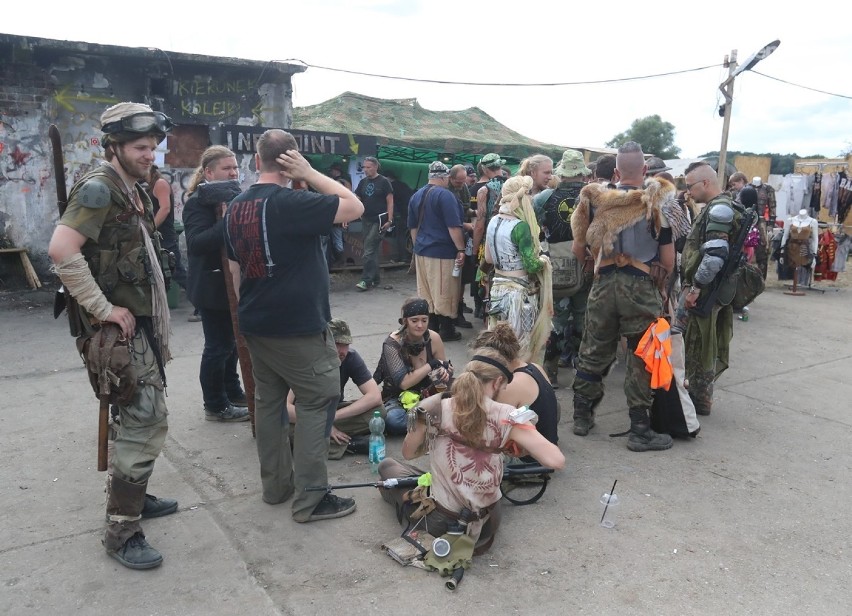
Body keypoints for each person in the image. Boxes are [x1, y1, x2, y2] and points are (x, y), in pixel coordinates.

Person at [48, 102, 177, 569]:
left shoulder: (133, 186)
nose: (150, 155)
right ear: (114, 147)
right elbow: (62, 251)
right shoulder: (100, 189)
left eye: (153, 147)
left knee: (133, 413)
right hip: (116, 326)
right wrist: (103, 309)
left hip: (139, 319)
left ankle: (134, 496)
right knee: (146, 418)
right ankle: (121, 529)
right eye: (141, 147)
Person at [224, 129, 364, 523]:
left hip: (256, 322)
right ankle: (312, 499)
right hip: (298, 327)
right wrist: (312, 174)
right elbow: (353, 207)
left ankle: (276, 488)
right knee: (318, 402)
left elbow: (235, 270)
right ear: (291, 162)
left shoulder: (235, 206)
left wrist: (249, 312)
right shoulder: (293, 202)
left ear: (255, 161)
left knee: (269, 407)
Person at [377, 347, 565, 555]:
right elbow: (556, 460)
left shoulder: (437, 407)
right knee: (424, 480)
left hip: (444, 522)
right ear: (496, 383)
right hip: (489, 521)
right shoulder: (508, 415)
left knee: (388, 467)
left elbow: (409, 453)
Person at [569, 141, 675, 450]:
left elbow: (579, 248)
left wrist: (598, 266)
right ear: (645, 169)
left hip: (603, 284)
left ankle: (581, 417)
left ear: (615, 171)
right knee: (642, 354)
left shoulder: (592, 199)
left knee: (592, 350)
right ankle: (640, 430)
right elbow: (667, 261)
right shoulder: (658, 201)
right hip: (641, 286)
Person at [182, 145, 249, 423]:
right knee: (217, 346)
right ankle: (215, 404)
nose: (233, 172)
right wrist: (228, 222)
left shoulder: (235, 198)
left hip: (232, 284)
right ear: (209, 172)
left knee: (232, 344)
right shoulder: (197, 202)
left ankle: (232, 390)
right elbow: (197, 243)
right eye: (227, 168)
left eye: (235, 168)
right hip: (211, 287)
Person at [678, 161, 746, 416]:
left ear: (705, 183)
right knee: (699, 342)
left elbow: (715, 255)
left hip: (706, 289)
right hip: (713, 288)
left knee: (697, 344)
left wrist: (695, 287)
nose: (688, 192)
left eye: (690, 186)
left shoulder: (719, 210)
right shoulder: (722, 207)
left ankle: (698, 400)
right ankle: (698, 396)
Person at [533, 149, 593, 387]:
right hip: (585, 265)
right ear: (582, 173)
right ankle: (581, 370)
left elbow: (534, 230)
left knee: (555, 319)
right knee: (582, 318)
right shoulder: (592, 197)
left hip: (554, 266)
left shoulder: (543, 198)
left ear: (562, 172)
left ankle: (552, 370)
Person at [286, 318, 383, 458]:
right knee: (286, 432)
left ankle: (329, 439)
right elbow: (285, 408)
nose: (342, 351)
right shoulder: (304, 360)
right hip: (302, 417)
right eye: (337, 344)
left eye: (346, 344)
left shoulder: (350, 357)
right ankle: (350, 445)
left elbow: (374, 396)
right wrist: (324, 423)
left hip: (332, 412)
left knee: (378, 413)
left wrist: (332, 418)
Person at [484, 175, 553, 364]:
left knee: (498, 341)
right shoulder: (520, 226)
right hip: (519, 294)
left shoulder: (493, 221)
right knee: (519, 345)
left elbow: (488, 258)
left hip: (497, 289)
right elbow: (531, 264)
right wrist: (544, 260)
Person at [373, 297, 453, 435]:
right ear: (405, 322)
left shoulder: (433, 338)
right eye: (414, 321)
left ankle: (427, 420)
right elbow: (404, 383)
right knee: (393, 420)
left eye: (424, 320)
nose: (420, 325)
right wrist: (431, 364)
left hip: (428, 393)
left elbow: (442, 367)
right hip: (398, 398)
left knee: (464, 394)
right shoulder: (392, 344)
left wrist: (445, 371)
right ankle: (433, 421)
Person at [408, 161, 467, 342]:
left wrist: (417, 247)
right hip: (442, 251)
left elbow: (412, 227)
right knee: (445, 291)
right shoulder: (446, 196)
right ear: (444, 177)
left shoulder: (416, 195)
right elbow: (453, 226)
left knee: (426, 292)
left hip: (422, 250)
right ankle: (446, 330)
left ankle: (431, 328)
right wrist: (461, 249)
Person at [474, 323, 559, 447]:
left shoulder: (509, 386)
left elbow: (493, 429)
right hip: (548, 446)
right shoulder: (535, 368)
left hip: (529, 460)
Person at [470, 153, 506, 319]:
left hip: (489, 241)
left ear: (484, 169)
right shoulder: (513, 186)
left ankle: (487, 311)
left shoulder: (484, 190)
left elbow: (480, 224)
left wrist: (476, 248)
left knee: (486, 277)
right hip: (509, 239)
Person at [354, 156, 394, 291]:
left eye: (368, 167)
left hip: (379, 221)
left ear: (376, 167)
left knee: (368, 250)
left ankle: (366, 280)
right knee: (372, 251)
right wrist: (354, 213)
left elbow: (390, 201)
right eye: (364, 167)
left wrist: (390, 219)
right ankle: (375, 279)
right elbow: (357, 199)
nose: (365, 169)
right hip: (366, 219)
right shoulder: (363, 182)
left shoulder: (384, 182)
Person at [146, 165, 186, 292]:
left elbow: (165, 208)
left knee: (178, 273)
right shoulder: (150, 185)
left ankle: (202, 303)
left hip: (165, 238)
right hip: (157, 238)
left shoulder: (160, 183)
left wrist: (149, 229)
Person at [448, 164, 476, 329]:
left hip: (463, 234)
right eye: (458, 181)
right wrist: (465, 225)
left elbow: (466, 208)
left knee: (463, 275)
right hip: (452, 237)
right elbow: (451, 217)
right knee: (453, 276)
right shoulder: (446, 191)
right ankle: (454, 312)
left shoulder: (464, 187)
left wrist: (474, 214)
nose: (461, 184)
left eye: (463, 180)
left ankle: (458, 307)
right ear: (450, 178)